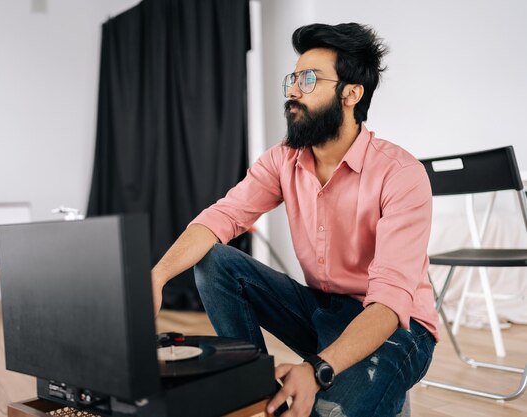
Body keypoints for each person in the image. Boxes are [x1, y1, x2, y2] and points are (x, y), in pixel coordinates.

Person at [151, 22, 438, 417]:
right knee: (214, 261)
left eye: (308, 80)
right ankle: (251, 383)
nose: (291, 91)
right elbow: (222, 216)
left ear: (351, 93)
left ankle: (361, 380)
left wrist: (317, 368)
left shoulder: (400, 173)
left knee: (326, 411)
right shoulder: (283, 159)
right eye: (293, 79)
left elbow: (389, 302)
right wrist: (157, 276)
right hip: (323, 308)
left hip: (398, 330)